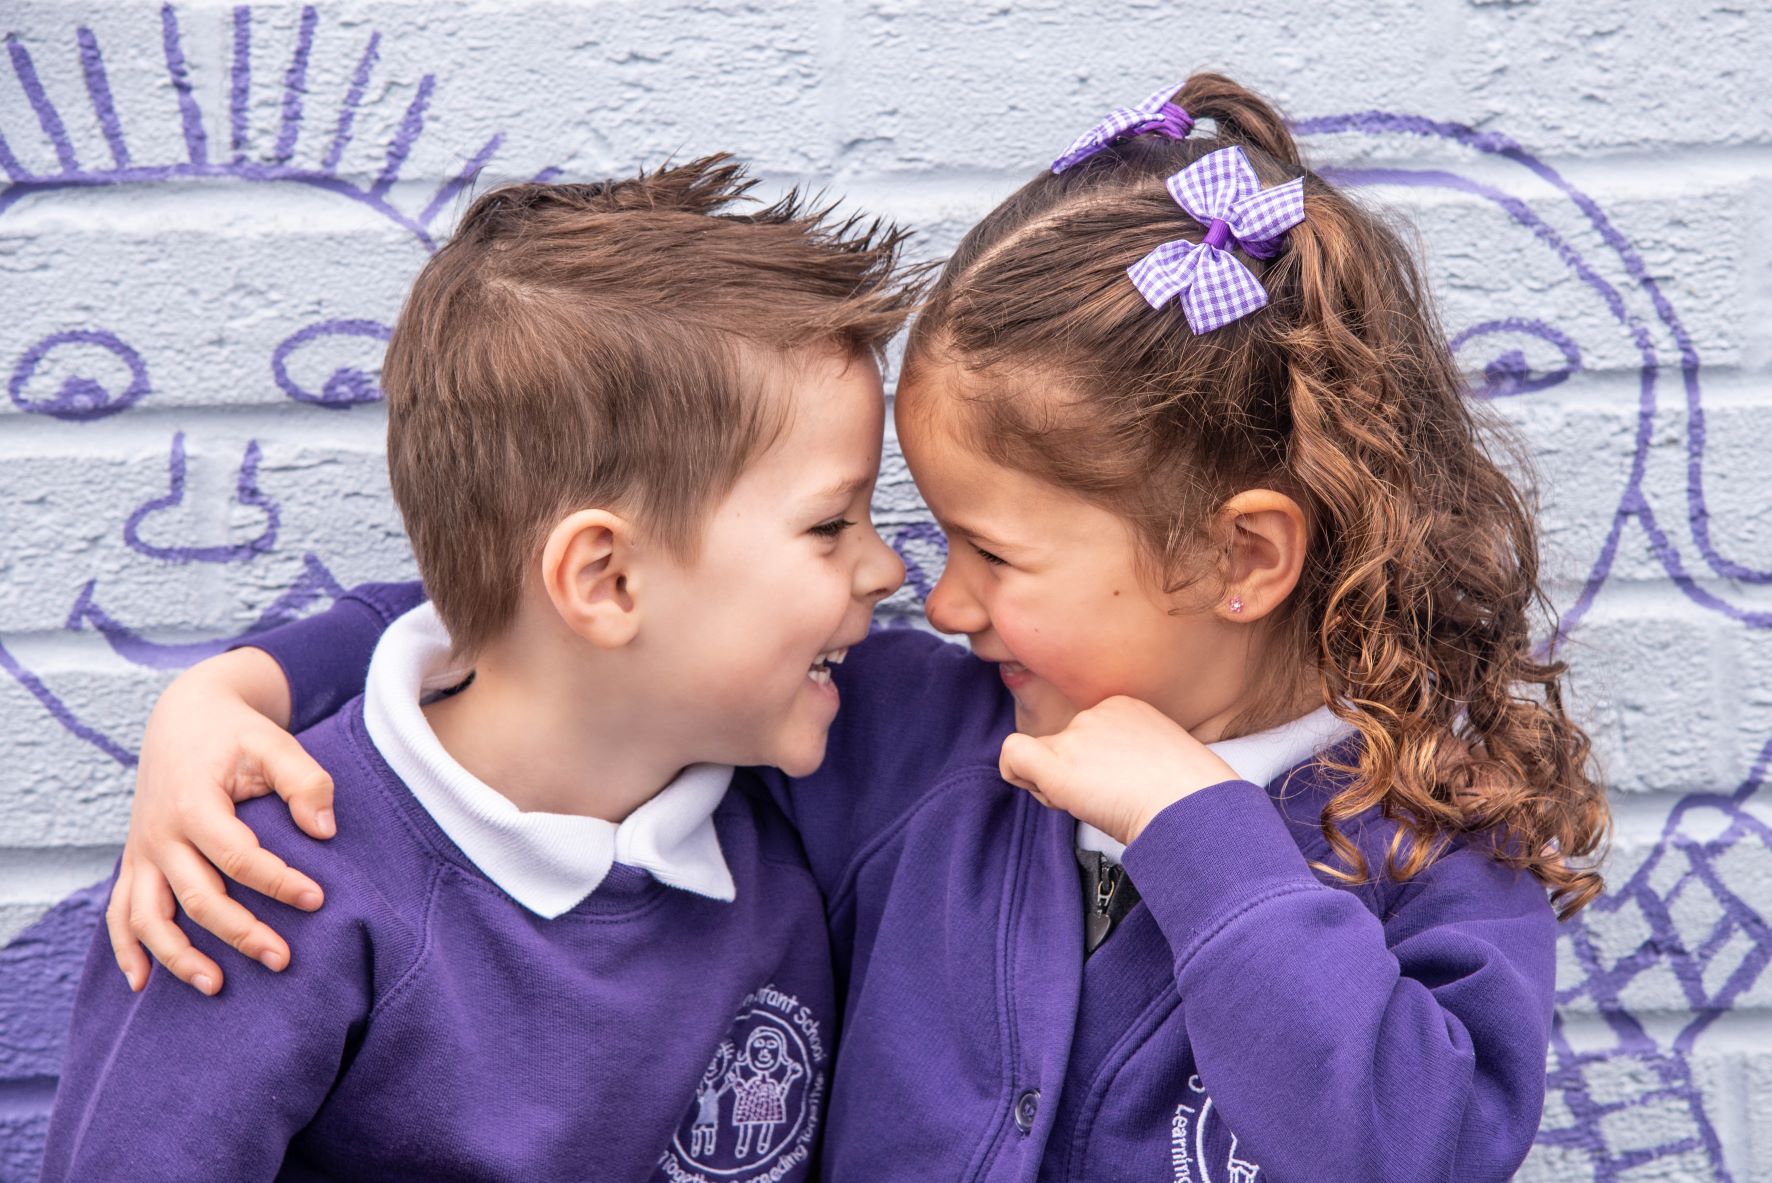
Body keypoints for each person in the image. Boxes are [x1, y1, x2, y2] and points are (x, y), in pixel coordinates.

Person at [103, 76, 1609, 1182]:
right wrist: (230, 690)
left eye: (990, 552)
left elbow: (1419, 1146)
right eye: (880, 526)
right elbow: (545, 632)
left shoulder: (1434, 833)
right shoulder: (915, 738)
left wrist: (1200, 835)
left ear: (1242, 556)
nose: (928, 598)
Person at [43, 156, 916, 1182]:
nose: (887, 567)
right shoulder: (257, 879)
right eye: (829, 523)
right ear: (606, 580)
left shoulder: (783, 831)